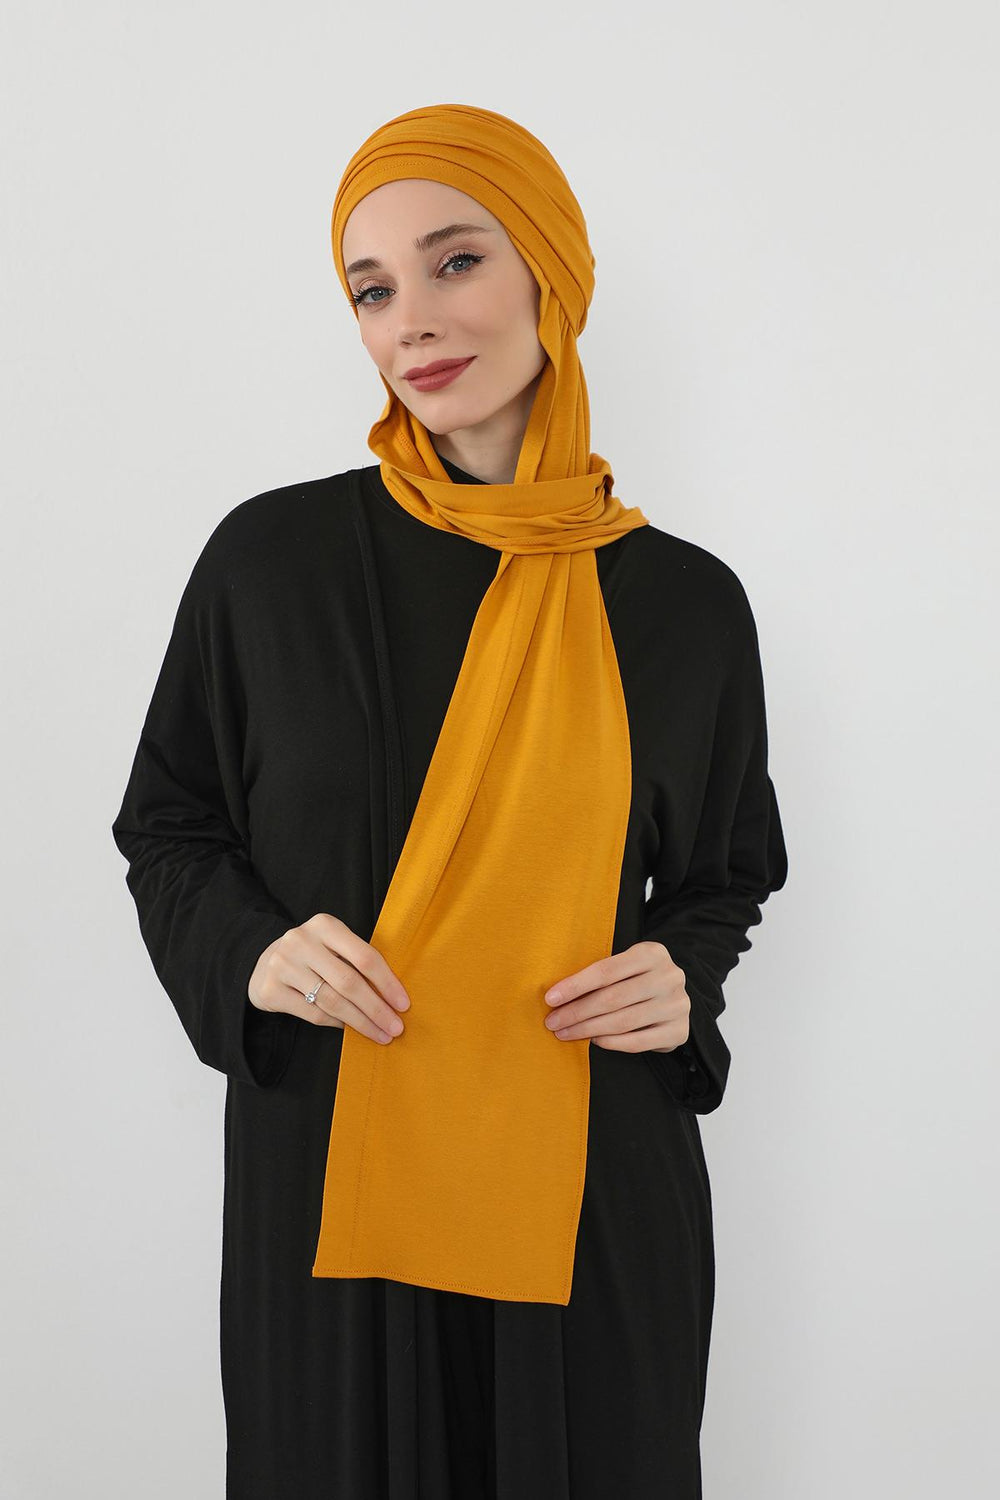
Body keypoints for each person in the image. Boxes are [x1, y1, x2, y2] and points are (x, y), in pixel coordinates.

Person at [111, 102, 788, 1500]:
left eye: (456, 260)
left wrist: (684, 973)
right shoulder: (270, 565)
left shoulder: (687, 606)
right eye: (371, 289)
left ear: (551, 272)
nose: (410, 319)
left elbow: (724, 874)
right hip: (337, 1196)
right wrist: (250, 951)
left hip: (592, 1196)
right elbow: (171, 825)